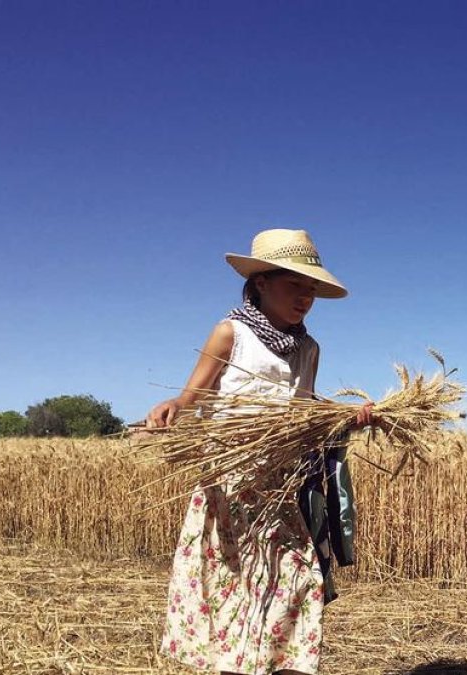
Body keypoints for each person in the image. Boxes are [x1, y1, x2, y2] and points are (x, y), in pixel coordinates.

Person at [145, 229, 374, 675]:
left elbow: (304, 410)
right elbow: (193, 394)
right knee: (236, 586)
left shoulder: (308, 348)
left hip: (277, 486)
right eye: (295, 285)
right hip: (229, 485)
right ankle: (235, 665)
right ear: (261, 283)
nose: (306, 297)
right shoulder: (230, 333)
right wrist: (173, 407)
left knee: (300, 578)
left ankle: (285, 664)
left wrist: (347, 416)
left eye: (311, 289)